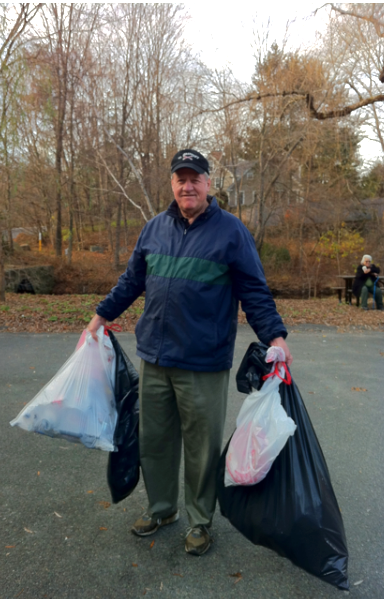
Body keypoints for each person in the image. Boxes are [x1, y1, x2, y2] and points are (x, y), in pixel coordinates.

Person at [87, 149, 292, 556]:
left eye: (195, 178)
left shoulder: (231, 232)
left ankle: (200, 520)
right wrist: (100, 316)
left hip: (203, 362)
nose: (187, 186)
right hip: (155, 358)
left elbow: (254, 290)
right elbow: (131, 281)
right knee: (155, 442)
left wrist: (275, 336)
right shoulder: (154, 229)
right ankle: (162, 509)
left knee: (201, 448)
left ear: (208, 183)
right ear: (172, 184)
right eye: (180, 179)